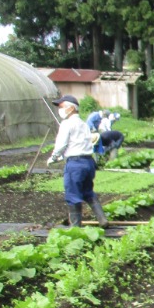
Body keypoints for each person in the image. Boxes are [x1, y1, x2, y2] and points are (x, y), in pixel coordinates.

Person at [46, 95, 108, 228]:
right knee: (87, 191)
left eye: (62, 107)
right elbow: (82, 144)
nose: (60, 110)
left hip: (75, 164)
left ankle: (75, 227)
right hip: (88, 162)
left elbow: (61, 144)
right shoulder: (83, 124)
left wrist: (54, 156)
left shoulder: (66, 124)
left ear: (71, 108)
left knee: (73, 194)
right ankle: (102, 219)